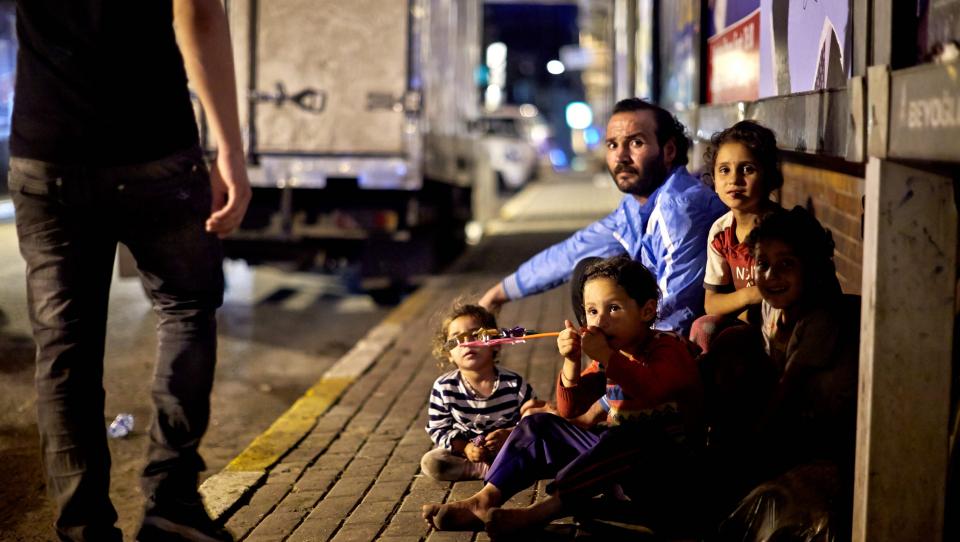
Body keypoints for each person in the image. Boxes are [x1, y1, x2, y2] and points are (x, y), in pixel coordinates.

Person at [8, 2, 251, 541]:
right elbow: (201, 13)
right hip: (153, 145)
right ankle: (172, 499)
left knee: (64, 348)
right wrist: (229, 148)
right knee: (187, 308)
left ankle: (84, 527)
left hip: (46, 150)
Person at [423, 256, 704, 535]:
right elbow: (570, 410)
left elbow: (650, 389)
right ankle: (484, 501)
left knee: (629, 434)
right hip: (620, 465)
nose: (600, 322)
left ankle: (540, 512)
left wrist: (606, 356)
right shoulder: (612, 356)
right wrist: (571, 360)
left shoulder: (668, 350)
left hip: (667, 471)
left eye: (614, 308)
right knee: (539, 425)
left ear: (646, 311)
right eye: (592, 312)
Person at [479, 98, 726, 336]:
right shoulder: (635, 204)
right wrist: (498, 294)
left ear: (669, 150)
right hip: (660, 333)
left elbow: (676, 312)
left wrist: (626, 365)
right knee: (587, 271)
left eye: (636, 143)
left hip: (690, 349)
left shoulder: (678, 209)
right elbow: (574, 250)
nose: (621, 156)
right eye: (612, 145)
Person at [702, 207, 859, 536]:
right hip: (792, 419)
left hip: (828, 435)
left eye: (787, 264)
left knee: (736, 477)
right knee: (728, 340)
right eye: (762, 264)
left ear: (812, 269)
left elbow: (787, 391)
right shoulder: (770, 309)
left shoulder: (820, 318)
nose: (771, 275)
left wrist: (748, 448)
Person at [689, 121, 784, 352]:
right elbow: (711, 303)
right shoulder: (721, 232)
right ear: (714, 179)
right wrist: (752, 294)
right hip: (746, 329)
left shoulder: (783, 229)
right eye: (724, 170)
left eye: (748, 169)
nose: (734, 180)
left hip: (786, 328)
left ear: (768, 176)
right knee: (704, 327)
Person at [421, 302, 535, 482]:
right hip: (464, 453)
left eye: (476, 335)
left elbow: (531, 421)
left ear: (496, 344)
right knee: (432, 462)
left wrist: (508, 435)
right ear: (449, 353)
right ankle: (480, 469)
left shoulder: (514, 384)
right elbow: (439, 429)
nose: (467, 343)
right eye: (457, 339)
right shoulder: (444, 387)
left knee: (538, 449)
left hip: (506, 449)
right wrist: (466, 448)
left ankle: (501, 466)